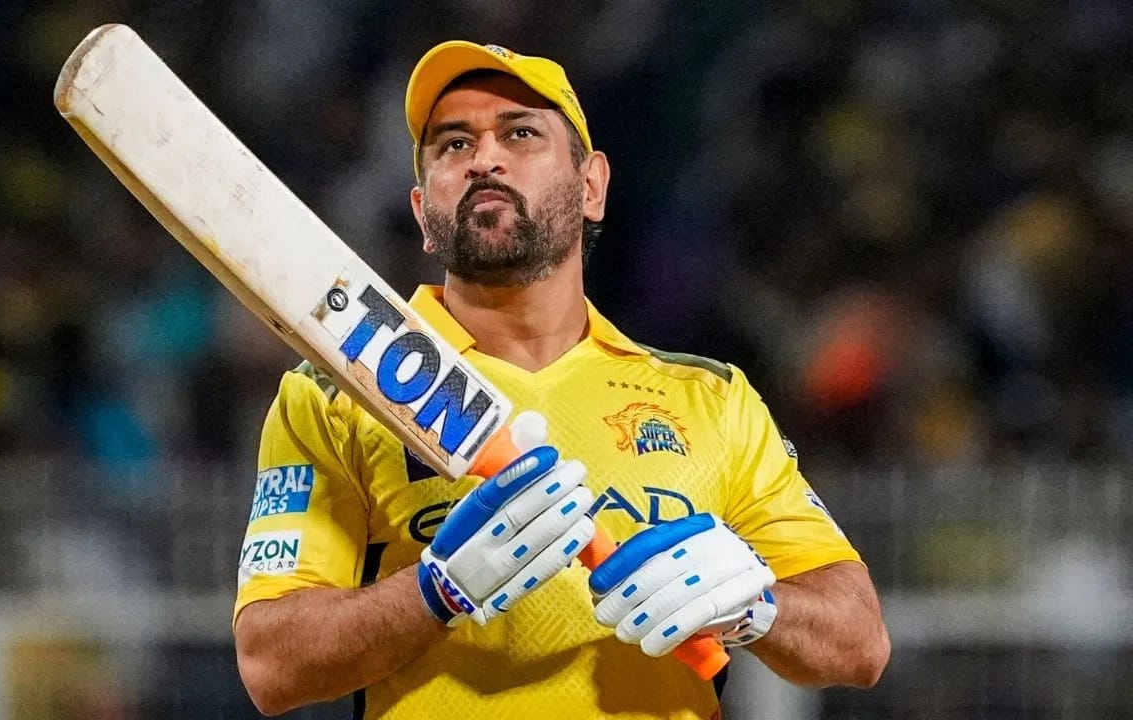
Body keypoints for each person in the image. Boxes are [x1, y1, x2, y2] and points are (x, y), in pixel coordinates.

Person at [233, 40, 890, 719]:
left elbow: (860, 642)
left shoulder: (711, 399)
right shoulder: (339, 392)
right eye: (454, 145)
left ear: (592, 186)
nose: (484, 159)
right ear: (423, 211)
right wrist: (434, 592)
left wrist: (755, 606)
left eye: (520, 133)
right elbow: (270, 665)